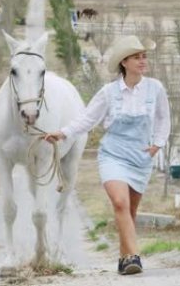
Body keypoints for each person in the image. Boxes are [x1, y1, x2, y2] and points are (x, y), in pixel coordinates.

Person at [43, 35, 170, 275]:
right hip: (113, 154)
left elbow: (164, 119)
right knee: (120, 203)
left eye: (144, 56)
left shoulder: (156, 88)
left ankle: (124, 260)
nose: (143, 61)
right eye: (137, 57)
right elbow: (87, 119)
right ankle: (134, 257)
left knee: (129, 212)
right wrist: (62, 133)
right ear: (124, 62)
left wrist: (157, 145)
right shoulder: (108, 92)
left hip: (141, 157)